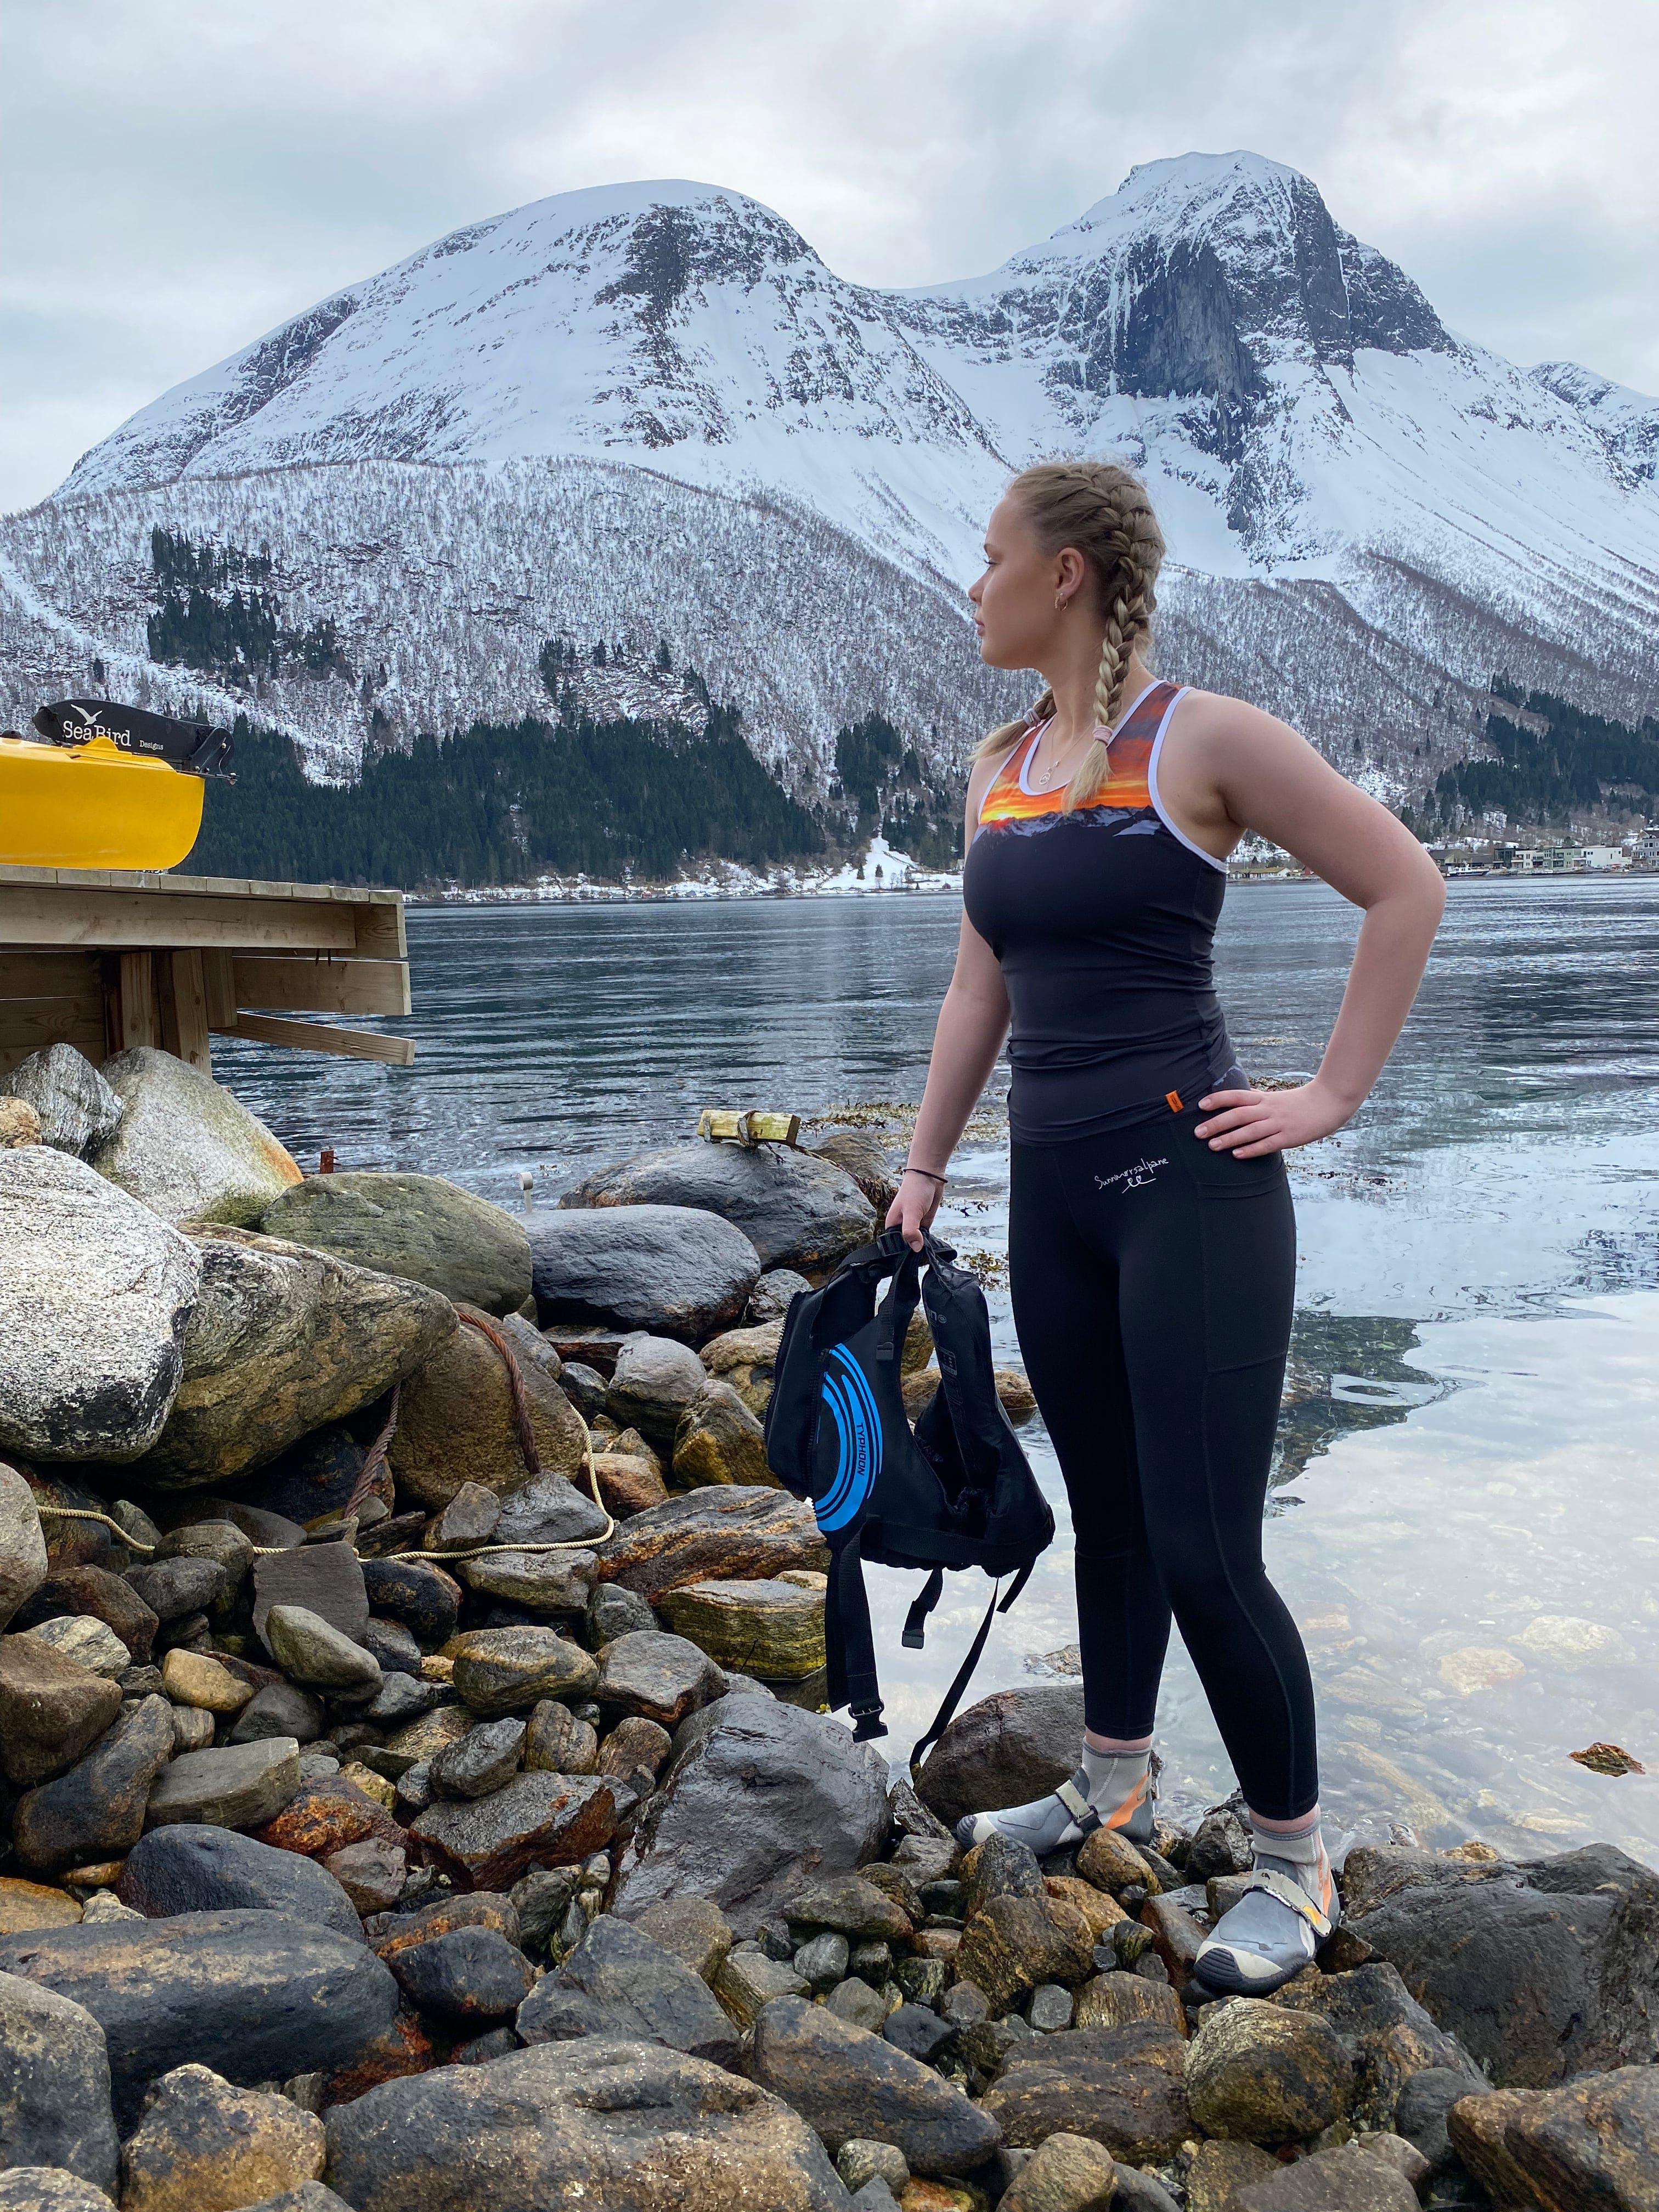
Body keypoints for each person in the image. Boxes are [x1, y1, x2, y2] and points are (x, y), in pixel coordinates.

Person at [886, 461, 1445, 1995]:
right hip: (1055, 1194)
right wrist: (925, 1170)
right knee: (1112, 1519)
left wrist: (1331, 1094)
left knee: (1208, 1548)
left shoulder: (1204, 737)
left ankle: (1293, 1860)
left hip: (1190, 1192)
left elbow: (1404, 888)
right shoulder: (1003, 759)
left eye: (989, 557)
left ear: (1064, 572)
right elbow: (976, 986)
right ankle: (1111, 1777)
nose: (972, 584)